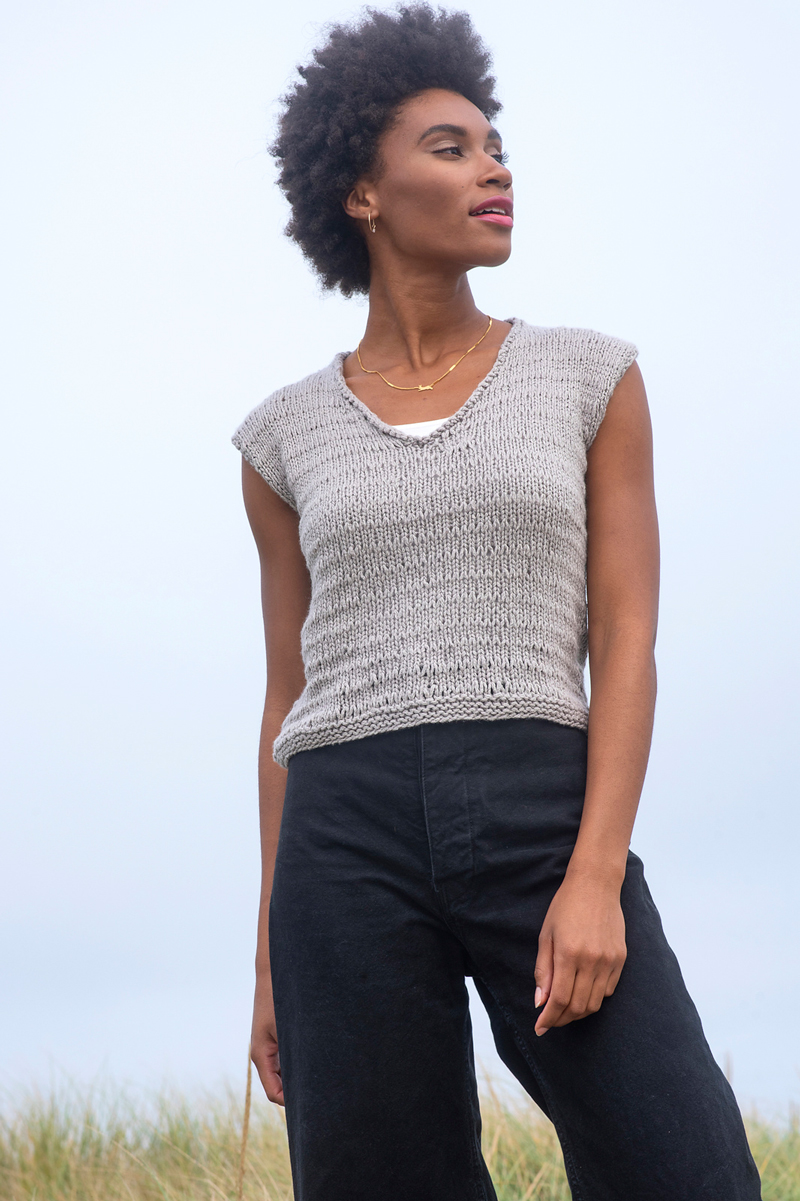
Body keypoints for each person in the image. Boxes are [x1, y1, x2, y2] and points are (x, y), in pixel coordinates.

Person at [232, 6, 762, 1199]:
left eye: (494, 146)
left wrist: (594, 873)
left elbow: (625, 637)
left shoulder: (588, 376)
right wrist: (270, 954)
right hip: (343, 835)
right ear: (362, 194)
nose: (493, 169)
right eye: (450, 147)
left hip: (538, 805)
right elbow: (285, 696)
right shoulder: (280, 438)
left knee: (684, 1167)